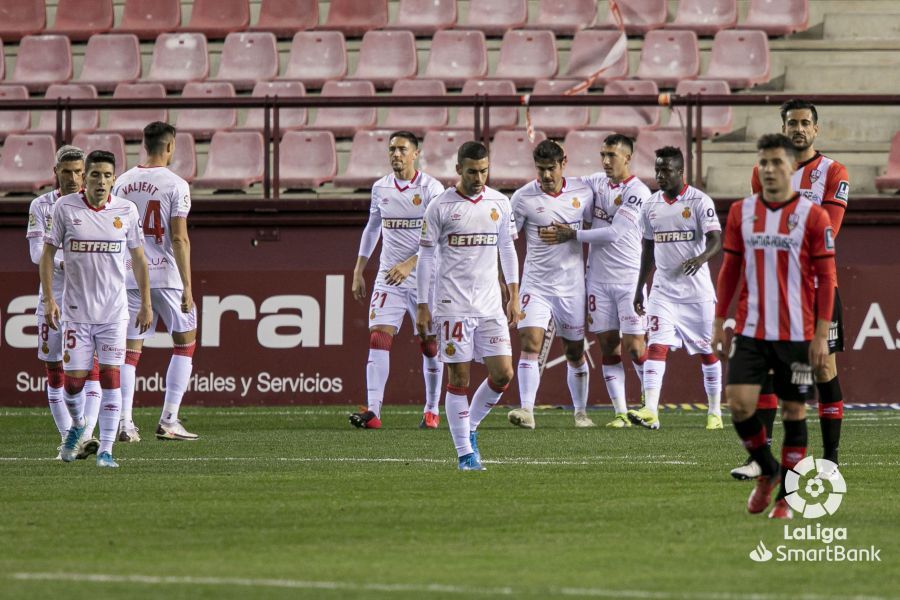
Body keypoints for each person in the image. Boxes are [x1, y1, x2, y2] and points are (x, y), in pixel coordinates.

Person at [713, 133, 837, 519]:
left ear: (791, 168)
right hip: (751, 328)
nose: (769, 169)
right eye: (763, 163)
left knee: (794, 411)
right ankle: (766, 470)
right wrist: (719, 320)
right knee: (737, 403)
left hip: (797, 333)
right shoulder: (740, 212)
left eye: (776, 163)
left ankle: (785, 496)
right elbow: (730, 268)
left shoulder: (813, 217)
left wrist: (820, 335)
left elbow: (826, 274)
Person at [731, 99, 849, 480]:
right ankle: (760, 459)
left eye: (804, 123)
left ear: (816, 129)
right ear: (783, 129)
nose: (798, 129)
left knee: (823, 367)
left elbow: (826, 229)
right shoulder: (763, 171)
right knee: (765, 369)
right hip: (773, 290)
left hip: (815, 287)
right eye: (791, 123)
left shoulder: (833, 172)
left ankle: (830, 458)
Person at [40, 150, 152, 468]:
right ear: (84, 178)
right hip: (76, 311)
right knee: (73, 385)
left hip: (114, 313)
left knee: (110, 377)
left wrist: (145, 303)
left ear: (114, 179)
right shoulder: (65, 208)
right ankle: (77, 426)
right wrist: (49, 298)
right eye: (95, 175)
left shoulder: (126, 211)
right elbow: (47, 255)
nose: (101, 181)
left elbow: (140, 259)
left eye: (106, 175)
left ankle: (106, 450)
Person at [415, 141, 520, 470]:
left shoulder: (499, 203)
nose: (479, 177)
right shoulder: (440, 206)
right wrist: (422, 304)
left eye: (484, 170)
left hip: (489, 305)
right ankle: (464, 453)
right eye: (473, 171)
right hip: (452, 304)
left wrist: (514, 295)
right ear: (458, 169)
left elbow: (507, 249)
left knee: (503, 374)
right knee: (458, 378)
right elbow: (426, 257)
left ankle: (470, 427)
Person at [544, 134, 652, 428]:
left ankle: (649, 405)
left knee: (634, 346)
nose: (605, 161)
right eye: (603, 155)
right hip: (598, 279)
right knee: (608, 346)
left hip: (629, 278)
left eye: (612, 156)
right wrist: (559, 155)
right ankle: (620, 413)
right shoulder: (595, 182)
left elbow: (615, 233)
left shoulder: (638, 192)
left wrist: (573, 234)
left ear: (627, 157)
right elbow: (567, 180)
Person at [349, 131, 445, 429]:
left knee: (430, 343)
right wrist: (358, 269)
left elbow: (439, 236)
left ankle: (431, 409)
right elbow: (372, 227)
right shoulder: (381, 188)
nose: (396, 154)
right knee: (379, 335)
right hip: (389, 276)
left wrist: (410, 263)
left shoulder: (432, 189)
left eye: (402, 149)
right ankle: (374, 411)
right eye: (392, 149)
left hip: (425, 276)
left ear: (416, 153)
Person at [113, 122, 199, 442]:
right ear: (170, 146)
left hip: (129, 273)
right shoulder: (176, 184)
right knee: (185, 342)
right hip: (166, 274)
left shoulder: (121, 182)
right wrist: (188, 286)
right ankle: (169, 420)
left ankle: (125, 423)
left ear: (144, 145)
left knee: (130, 351)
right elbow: (179, 238)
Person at [630, 147, 723, 430]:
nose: (660, 175)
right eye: (657, 170)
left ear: (680, 172)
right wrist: (639, 288)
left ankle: (715, 412)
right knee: (656, 345)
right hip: (663, 291)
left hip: (696, 293)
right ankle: (650, 410)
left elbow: (717, 240)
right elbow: (647, 249)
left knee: (707, 352)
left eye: (666, 170)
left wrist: (701, 258)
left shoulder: (699, 201)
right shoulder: (650, 206)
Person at [505, 140, 593, 429]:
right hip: (536, 285)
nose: (545, 175)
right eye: (540, 169)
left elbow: (599, 231)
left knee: (575, 351)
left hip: (571, 287)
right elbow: (505, 242)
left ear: (563, 163)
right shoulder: (522, 198)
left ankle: (580, 413)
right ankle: (527, 410)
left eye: (550, 168)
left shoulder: (583, 192)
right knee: (530, 342)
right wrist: (510, 290)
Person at [26, 145, 101, 460]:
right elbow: (35, 254)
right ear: (55, 172)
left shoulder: (98, 205)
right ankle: (70, 437)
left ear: (84, 173)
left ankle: (84, 436)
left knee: (91, 371)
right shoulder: (41, 206)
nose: (72, 178)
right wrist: (70, 260)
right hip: (53, 300)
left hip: (89, 301)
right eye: (66, 172)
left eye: (77, 172)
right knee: (55, 372)